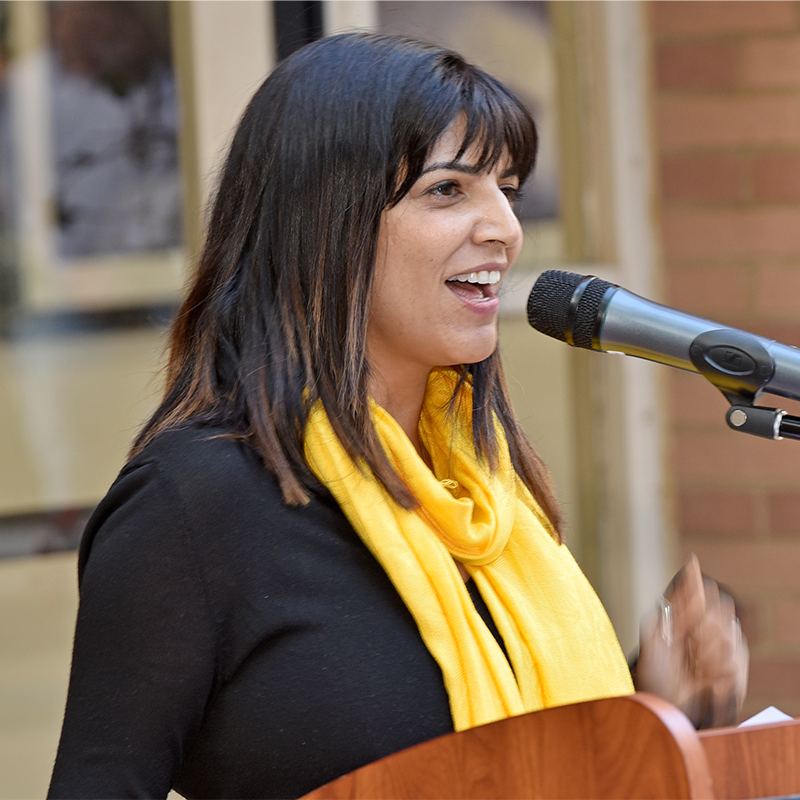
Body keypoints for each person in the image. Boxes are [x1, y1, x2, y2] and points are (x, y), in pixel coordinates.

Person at [48, 32, 747, 800]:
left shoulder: (485, 501)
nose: (505, 230)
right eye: (448, 190)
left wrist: (655, 707)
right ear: (322, 219)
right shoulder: (194, 503)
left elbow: (505, 760)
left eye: (507, 190)